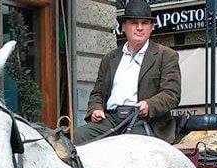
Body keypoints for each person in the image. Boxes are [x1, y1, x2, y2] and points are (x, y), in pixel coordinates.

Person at [74, 0, 181, 144]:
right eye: (134, 23)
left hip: (144, 121)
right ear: (123, 26)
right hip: (110, 119)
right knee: (75, 137)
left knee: (128, 146)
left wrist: (149, 105)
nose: (139, 28)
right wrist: (96, 109)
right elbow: (97, 93)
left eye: (145, 23)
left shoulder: (166, 55)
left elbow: (172, 94)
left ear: (151, 27)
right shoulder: (110, 58)